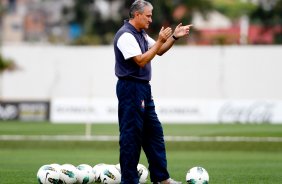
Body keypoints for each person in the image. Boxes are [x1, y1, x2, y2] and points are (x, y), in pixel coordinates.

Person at [113, 1, 192, 183]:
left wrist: (173, 38)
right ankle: (129, 180)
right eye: (148, 15)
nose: (151, 19)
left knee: (154, 133)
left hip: (143, 89)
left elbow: (159, 50)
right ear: (137, 15)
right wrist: (160, 41)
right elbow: (141, 60)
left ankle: (161, 179)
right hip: (130, 88)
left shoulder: (141, 34)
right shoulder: (125, 35)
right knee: (131, 136)